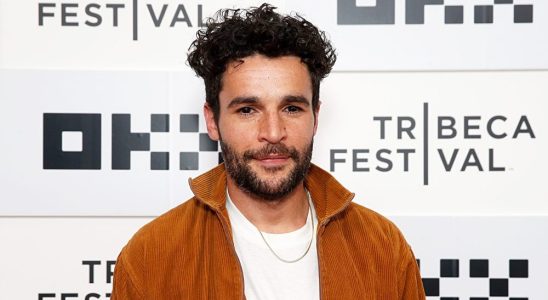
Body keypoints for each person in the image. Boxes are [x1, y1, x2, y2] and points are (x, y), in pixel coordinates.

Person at [111, 3, 425, 299]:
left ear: (315, 116)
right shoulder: (153, 256)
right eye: (248, 110)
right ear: (213, 120)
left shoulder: (382, 248)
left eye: (291, 108)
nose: (273, 133)